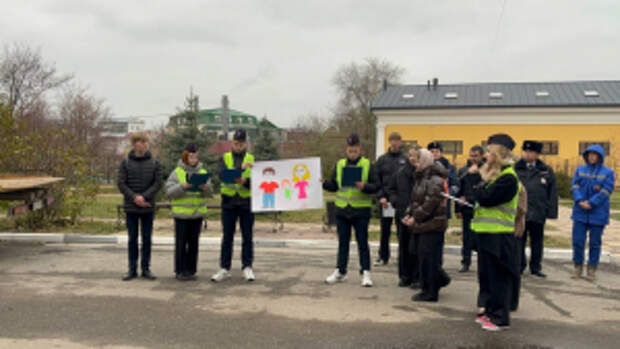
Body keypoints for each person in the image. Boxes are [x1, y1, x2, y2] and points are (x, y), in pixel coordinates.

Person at [470, 134, 520, 331]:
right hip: (487, 233)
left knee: (499, 278)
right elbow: (480, 194)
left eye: (490, 151)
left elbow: (486, 198)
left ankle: (500, 317)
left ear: (499, 154)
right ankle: (490, 312)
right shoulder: (496, 175)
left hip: (499, 235)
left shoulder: (508, 177)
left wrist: (476, 180)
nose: (486, 154)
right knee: (487, 277)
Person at [323, 133, 380, 287]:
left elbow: (376, 186)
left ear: (360, 149)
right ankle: (340, 271)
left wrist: (365, 187)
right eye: (350, 151)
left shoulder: (368, 164)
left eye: (355, 151)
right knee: (343, 243)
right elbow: (335, 185)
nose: (352, 153)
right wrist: (324, 183)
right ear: (346, 150)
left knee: (362, 242)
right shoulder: (340, 164)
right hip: (342, 210)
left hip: (360, 211)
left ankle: (366, 272)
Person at [402, 148, 451, 302]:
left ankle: (430, 291)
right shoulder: (421, 177)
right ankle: (439, 280)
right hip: (422, 223)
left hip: (432, 224)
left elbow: (431, 202)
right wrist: (408, 214)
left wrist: (415, 218)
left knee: (429, 259)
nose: (414, 163)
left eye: (418, 160)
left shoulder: (434, 179)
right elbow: (415, 200)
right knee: (420, 254)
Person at [211, 129, 256, 283]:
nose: (238, 146)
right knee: (227, 237)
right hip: (229, 203)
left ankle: (247, 267)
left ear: (245, 143)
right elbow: (223, 176)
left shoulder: (252, 159)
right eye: (236, 143)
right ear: (232, 143)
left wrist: (246, 182)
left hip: (246, 202)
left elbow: (258, 183)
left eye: (241, 143)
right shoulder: (225, 158)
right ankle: (224, 268)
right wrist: (241, 170)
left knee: (247, 237)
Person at [117, 132, 162, 281]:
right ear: (134, 144)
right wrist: (135, 197)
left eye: (146, 142)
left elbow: (157, 183)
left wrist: (144, 197)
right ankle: (131, 269)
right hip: (131, 207)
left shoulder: (155, 163)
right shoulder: (125, 163)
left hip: (147, 207)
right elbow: (121, 183)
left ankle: (146, 268)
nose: (144, 145)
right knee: (132, 239)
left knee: (147, 239)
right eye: (141, 142)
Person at [570, 144, 615, 281]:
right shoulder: (580, 170)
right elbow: (574, 186)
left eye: (594, 155)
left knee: (595, 243)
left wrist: (592, 203)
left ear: (600, 157)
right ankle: (578, 267)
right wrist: (580, 200)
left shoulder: (608, 173)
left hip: (598, 213)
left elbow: (606, 191)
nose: (591, 157)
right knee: (578, 241)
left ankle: (592, 269)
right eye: (589, 154)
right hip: (580, 211)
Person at [165, 144, 210, 281]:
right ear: (185, 156)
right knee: (181, 244)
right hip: (181, 215)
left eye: (196, 156)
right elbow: (169, 192)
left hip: (197, 215)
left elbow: (210, 192)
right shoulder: (177, 172)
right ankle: (180, 270)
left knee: (193, 244)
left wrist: (205, 187)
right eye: (191, 156)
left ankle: (191, 270)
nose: (194, 159)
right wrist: (182, 186)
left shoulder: (202, 172)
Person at [514, 140, 558, 278]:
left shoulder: (545, 170)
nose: (528, 154)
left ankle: (535, 267)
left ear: (537, 154)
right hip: (520, 211)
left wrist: (550, 211)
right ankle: (519, 265)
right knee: (519, 239)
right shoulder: (516, 168)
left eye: (531, 152)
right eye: (526, 151)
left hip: (538, 210)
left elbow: (552, 192)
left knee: (537, 241)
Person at [386, 147, 419, 288]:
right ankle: (405, 276)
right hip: (402, 214)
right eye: (410, 155)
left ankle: (417, 277)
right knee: (404, 246)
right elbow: (391, 189)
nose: (412, 158)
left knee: (416, 247)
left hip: (418, 216)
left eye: (415, 156)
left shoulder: (423, 173)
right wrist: (395, 201)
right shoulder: (400, 173)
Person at [375, 132, 408, 266]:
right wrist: (381, 196)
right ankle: (383, 256)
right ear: (389, 142)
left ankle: (403, 256)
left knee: (402, 231)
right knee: (385, 230)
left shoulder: (405, 159)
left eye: (397, 140)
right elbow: (377, 180)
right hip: (386, 202)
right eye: (392, 140)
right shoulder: (382, 160)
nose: (394, 143)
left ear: (400, 142)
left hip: (401, 201)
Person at [455, 145, 485, 273]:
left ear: (481, 156)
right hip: (466, 208)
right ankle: (465, 262)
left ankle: (483, 263)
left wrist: (477, 173)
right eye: (471, 155)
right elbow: (459, 190)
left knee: (480, 238)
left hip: (481, 209)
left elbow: (482, 189)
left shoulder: (486, 170)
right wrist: (458, 208)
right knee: (467, 238)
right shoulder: (463, 171)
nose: (473, 158)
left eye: (476, 156)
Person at [427, 142, 459, 220]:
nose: (434, 154)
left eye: (437, 151)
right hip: (427, 205)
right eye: (432, 151)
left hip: (444, 205)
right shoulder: (424, 166)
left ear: (441, 153)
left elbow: (455, 185)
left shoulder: (449, 168)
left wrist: (448, 194)